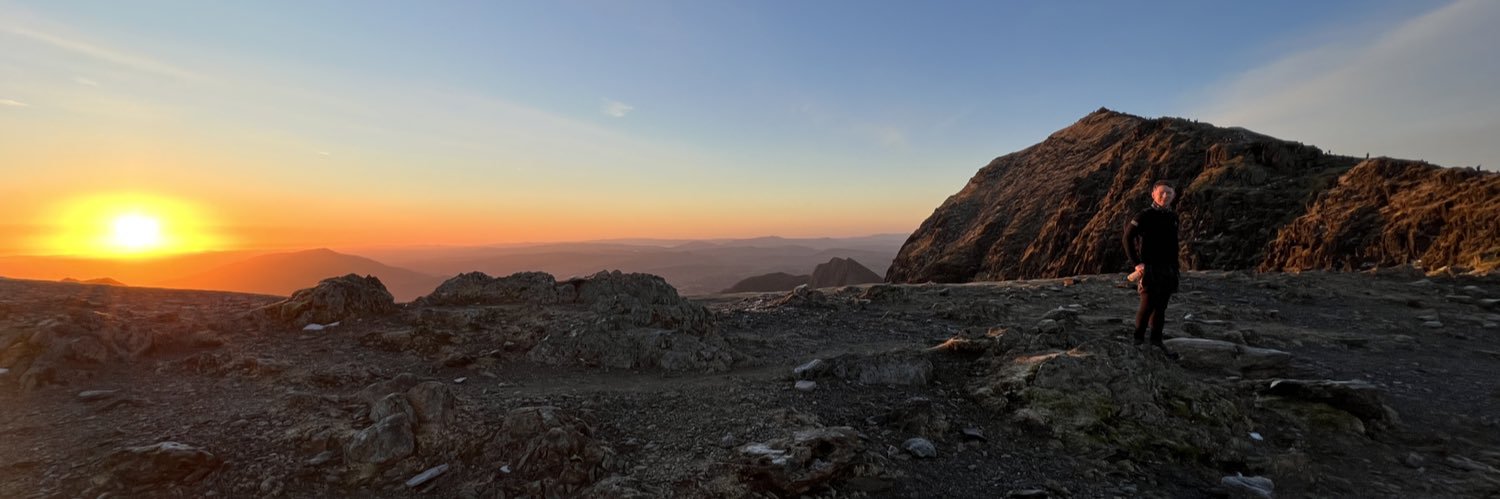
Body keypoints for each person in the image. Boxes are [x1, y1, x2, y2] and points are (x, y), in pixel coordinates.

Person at [1123, 181, 1181, 358]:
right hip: (1149, 268)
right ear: (1153, 194)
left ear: (1173, 196)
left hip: (1169, 269)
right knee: (1147, 304)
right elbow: (1127, 238)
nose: (1165, 196)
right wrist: (1137, 263)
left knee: (1161, 307)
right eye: (1162, 193)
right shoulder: (1144, 216)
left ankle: (1156, 343)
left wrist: (1175, 268)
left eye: (1169, 193)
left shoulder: (1173, 217)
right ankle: (1138, 341)